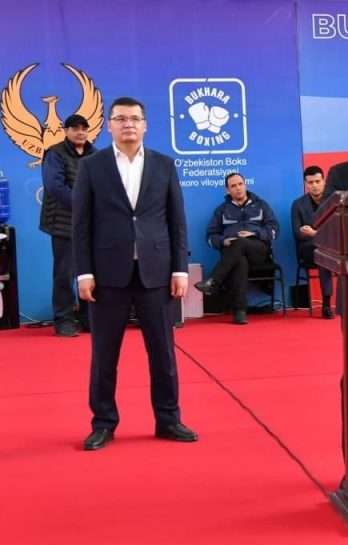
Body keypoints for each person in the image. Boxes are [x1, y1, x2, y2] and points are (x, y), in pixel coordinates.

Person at [72, 97, 196, 450]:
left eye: (135, 118)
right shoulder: (92, 167)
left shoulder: (164, 165)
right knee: (104, 356)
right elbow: (81, 224)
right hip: (107, 274)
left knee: (163, 353)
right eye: (121, 118)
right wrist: (83, 273)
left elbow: (177, 220)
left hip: (156, 273)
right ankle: (103, 423)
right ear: (109, 125)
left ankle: (168, 419)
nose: (129, 124)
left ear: (145, 125)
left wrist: (180, 269)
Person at [194, 172, 280, 325]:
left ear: (245, 185)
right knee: (239, 261)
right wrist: (223, 241)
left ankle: (214, 281)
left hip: (258, 251)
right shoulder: (221, 210)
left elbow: (274, 230)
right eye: (233, 186)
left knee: (240, 243)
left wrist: (254, 233)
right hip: (232, 252)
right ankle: (240, 312)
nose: (238, 188)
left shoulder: (261, 205)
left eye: (240, 184)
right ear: (228, 190)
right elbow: (210, 236)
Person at [41, 114, 97, 337]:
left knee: (91, 272)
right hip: (64, 223)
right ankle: (63, 320)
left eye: (84, 128)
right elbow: (55, 187)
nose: (80, 132)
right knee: (65, 275)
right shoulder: (55, 153)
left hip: (92, 225)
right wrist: (83, 206)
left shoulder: (96, 155)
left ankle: (88, 318)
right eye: (75, 128)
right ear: (66, 131)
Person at [291, 165, 334, 318]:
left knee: (323, 253)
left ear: (324, 181)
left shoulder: (333, 202)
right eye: (310, 182)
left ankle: (329, 302)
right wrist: (324, 235)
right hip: (307, 249)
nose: (314, 185)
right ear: (306, 184)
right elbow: (299, 234)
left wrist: (315, 233)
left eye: (317, 181)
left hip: (331, 249)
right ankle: (326, 304)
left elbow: (339, 231)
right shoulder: (298, 204)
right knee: (321, 250)